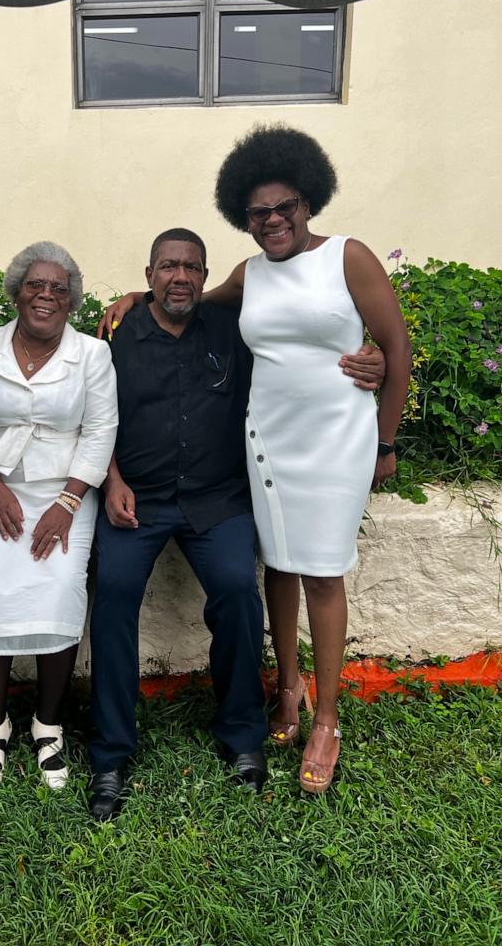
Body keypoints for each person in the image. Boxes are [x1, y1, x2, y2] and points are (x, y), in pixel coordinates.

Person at [87, 228, 386, 822]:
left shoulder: (234, 328)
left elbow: (302, 357)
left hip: (214, 501)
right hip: (136, 498)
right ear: (149, 273)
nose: (181, 278)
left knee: (238, 595)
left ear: (205, 276)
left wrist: (368, 358)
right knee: (113, 594)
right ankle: (111, 753)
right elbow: (94, 416)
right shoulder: (115, 337)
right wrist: (111, 479)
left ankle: (244, 734)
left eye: (192, 268)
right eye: (168, 267)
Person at [209, 124, 410, 793]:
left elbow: (396, 349)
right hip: (268, 437)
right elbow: (191, 305)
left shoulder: (348, 258)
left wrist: (385, 439)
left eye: (284, 207)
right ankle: (288, 689)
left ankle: (326, 719)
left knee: (322, 572)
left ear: (309, 201)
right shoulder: (251, 274)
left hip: (336, 442)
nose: (272, 220)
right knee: (280, 563)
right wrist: (134, 300)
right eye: (258, 212)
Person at [0, 242, 117, 797]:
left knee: (60, 593)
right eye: (36, 284)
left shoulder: (93, 355)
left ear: (72, 299)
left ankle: (47, 725)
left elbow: (101, 430)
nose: (45, 295)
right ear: (17, 291)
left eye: (58, 288)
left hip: (67, 493)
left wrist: (69, 502)